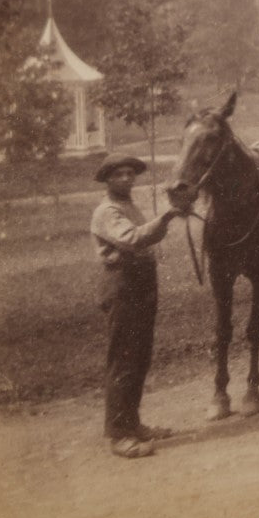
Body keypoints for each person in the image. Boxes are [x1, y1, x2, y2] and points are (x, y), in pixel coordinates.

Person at [90, 154, 180, 460]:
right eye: (119, 175)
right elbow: (132, 238)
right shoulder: (107, 211)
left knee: (139, 357)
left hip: (141, 283)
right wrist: (167, 216)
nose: (127, 178)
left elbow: (148, 236)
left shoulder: (128, 206)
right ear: (107, 180)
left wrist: (165, 220)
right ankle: (119, 435)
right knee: (123, 360)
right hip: (122, 285)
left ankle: (133, 424)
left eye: (130, 173)